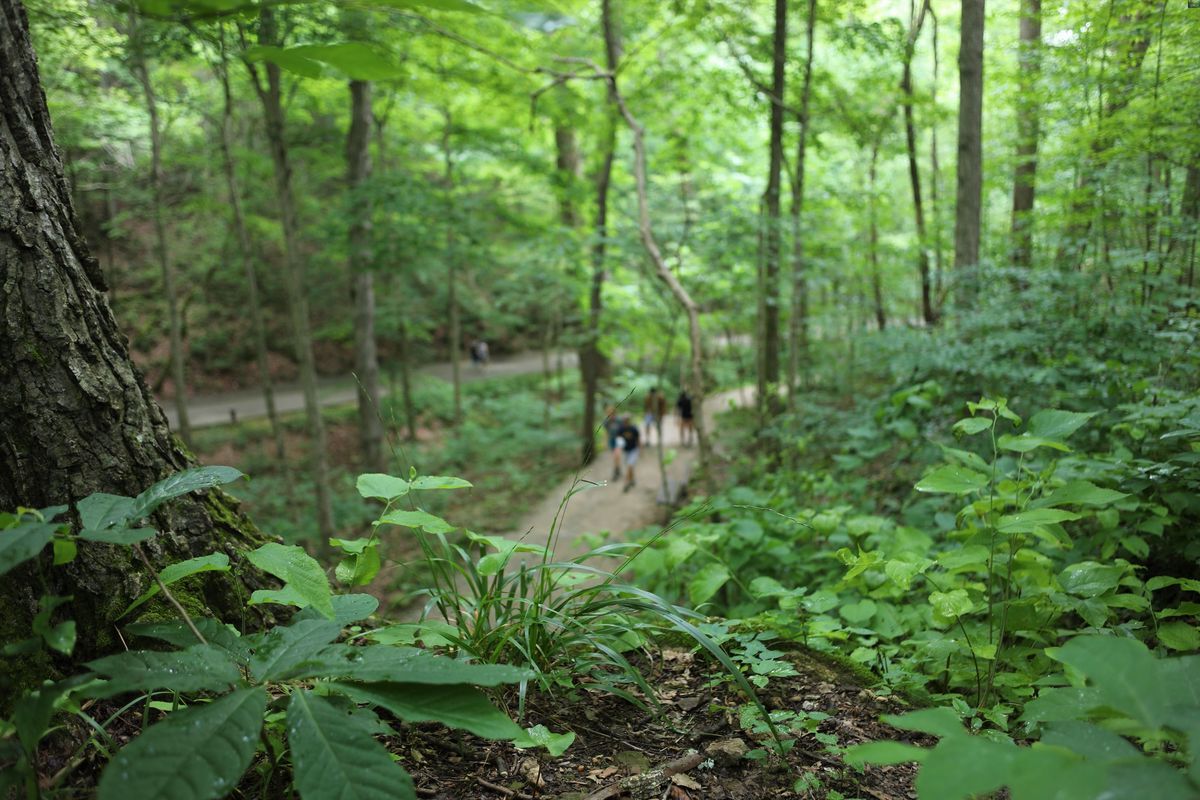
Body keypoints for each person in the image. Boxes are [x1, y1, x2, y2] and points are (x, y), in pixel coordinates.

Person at [615, 415, 641, 492]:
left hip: (633, 450)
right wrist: (618, 449)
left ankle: (626, 483)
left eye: (627, 420)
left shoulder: (633, 429)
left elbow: (638, 439)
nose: (626, 422)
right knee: (630, 466)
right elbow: (619, 440)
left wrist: (641, 450)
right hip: (626, 451)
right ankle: (632, 479)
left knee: (629, 466)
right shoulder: (621, 429)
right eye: (625, 420)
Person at [603, 405, 623, 480]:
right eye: (608, 413)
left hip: (619, 439)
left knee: (616, 455)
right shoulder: (606, 422)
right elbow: (606, 432)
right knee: (616, 457)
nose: (610, 414)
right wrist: (604, 442)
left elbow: (623, 429)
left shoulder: (619, 420)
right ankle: (618, 469)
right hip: (611, 440)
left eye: (611, 412)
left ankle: (615, 471)